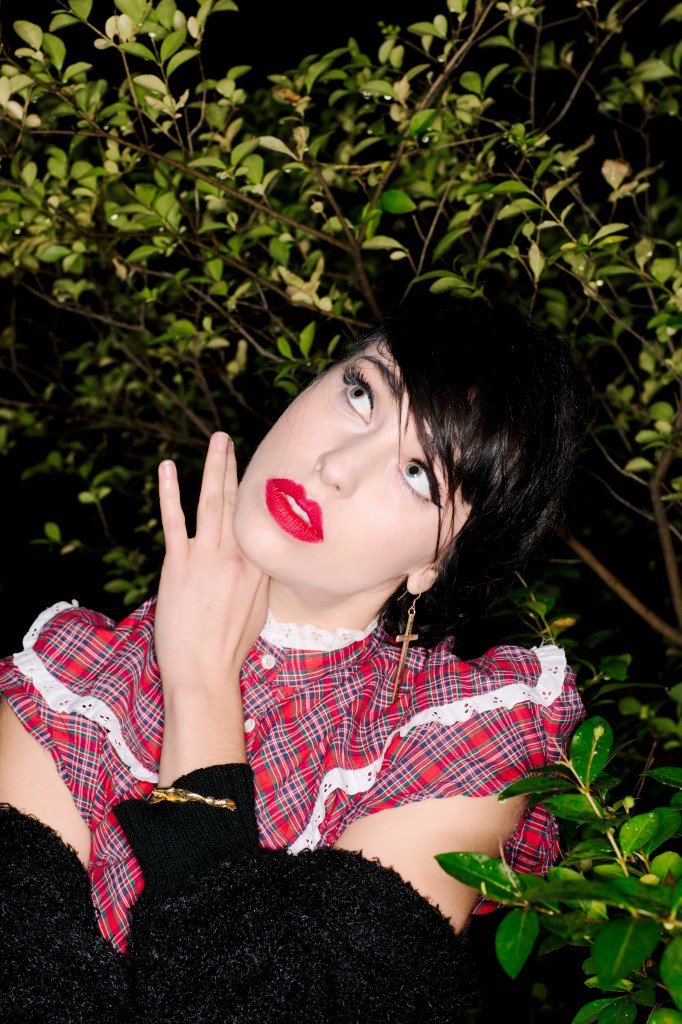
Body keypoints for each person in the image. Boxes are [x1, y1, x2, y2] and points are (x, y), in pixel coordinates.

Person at [0, 297, 588, 1021]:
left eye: (417, 474)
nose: (336, 467)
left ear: (437, 564)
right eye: (361, 394)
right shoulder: (75, 681)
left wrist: (202, 688)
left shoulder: (462, 743)